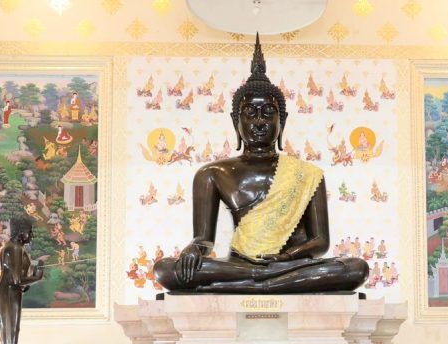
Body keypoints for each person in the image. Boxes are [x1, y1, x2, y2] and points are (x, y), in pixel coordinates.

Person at [152, 35, 368, 294]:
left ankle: (254, 282)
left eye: (268, 113)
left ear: (282, 121)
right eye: (249, 114)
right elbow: (204, 240)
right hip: (242, 265)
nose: (259, 122)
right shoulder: (211, 174)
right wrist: (193, 249)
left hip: (291, 264)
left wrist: (286, 258)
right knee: (166, 269)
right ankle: (260, 277)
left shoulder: (308, 174)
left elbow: (320, 242)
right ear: (235, 121)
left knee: (355, 268)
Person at [0, 215, 44, 344]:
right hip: (10, 291)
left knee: (11, 328)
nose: (32, 236)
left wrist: (27, 282)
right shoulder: (15, 248)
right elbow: (17, 280)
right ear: (21, 232)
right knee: (10, 328)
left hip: (11, 290)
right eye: (30, 232)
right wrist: (37, 277)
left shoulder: (14, 247)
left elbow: (18, 280)